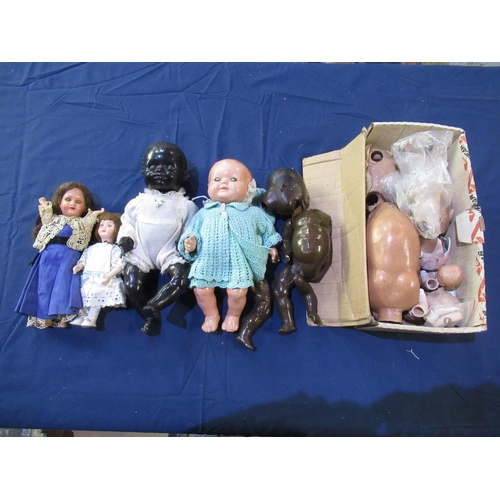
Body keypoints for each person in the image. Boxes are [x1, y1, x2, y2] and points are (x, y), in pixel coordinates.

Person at [179, 159, 281, 334]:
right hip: (207, 260)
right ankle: (211, 315)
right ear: (208, 186)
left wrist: (271, 246)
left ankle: (233, 315)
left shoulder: (252, 212)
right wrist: (190, 242)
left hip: (238, 262)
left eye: (233, 179)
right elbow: (192, 232)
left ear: (249, 188)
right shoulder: (203, 213)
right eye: (217, 179)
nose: (224, 183)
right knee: (201, 290)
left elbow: (268, 231)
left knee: (238, 292)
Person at [117, 141, 198, 335]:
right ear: (143, 172)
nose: (160, 171)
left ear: (184, 176)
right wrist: (126, 238)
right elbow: (127, 222)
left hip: (169, 251)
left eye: (169, 167)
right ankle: (148, 317)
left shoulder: (186, 206)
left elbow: (191, 229)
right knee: (131, 285)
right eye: (153, 166)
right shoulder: (138, 202)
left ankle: (154, 305)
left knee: (181, 280)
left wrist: (189, 243)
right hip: (140, 250)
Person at [15, 181, 104, 329]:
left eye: (78, 202)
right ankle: (45, 317)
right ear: (59, 202)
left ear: (84, 208)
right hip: (48, 257)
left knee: (63, 287)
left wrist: (94, 215)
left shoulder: (81, 223)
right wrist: (45, 206)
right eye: (68, 199)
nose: (72, 204)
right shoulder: (54, 220)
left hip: (69, 258)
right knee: (44, 286)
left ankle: (62, 318)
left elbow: (88, 224)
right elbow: (46, 218)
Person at [71, 212, 126, 328]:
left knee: (96, 296)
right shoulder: (91, 248)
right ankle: (83, 315)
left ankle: (92, 317)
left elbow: (119, 265)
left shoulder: (115, 249)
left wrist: (109, 276)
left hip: (103, 278)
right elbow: (84, 260)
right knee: (85, 295)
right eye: (102, 225)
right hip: (88, 278)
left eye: (109, 225)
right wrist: (79, 266)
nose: (104, 228)